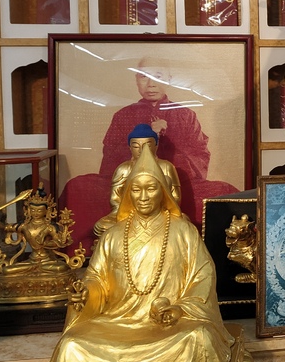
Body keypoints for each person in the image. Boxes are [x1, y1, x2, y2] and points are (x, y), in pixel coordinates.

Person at [41, 148, 235, 362]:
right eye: (136, 189)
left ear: (163, 191)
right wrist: (86, 293)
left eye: (151, 188)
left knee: (198, 338)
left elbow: (202, 275)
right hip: (117, 322)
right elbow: (97, 279)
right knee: (71, 346)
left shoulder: (183, 231)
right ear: (127, 193)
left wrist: (180, 308)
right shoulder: (112, 236)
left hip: (170, 325)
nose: (143, 196)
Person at [59, 62, 237, 250]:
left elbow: (199, 157)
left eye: (158, 76)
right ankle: (85, 253)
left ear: (169, 80)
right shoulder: (123, 115)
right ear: (136, 80)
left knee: (223, 191)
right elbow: (110, 160)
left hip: (175, 182)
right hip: (130, 185)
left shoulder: (185, 115)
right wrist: (143, 143)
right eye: (144, 76)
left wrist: (167, 141)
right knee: (76, 186)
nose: (151, 84)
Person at [93, 124, 182, 237]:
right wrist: (124, 212)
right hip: (129, 214)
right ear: (130, 147)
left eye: (147, 145)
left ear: (156, 146)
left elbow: (175, 197)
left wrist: (159, 210)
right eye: (136, 146)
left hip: (160, 213)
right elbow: (115, 198)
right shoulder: (123, 169)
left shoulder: (166, 167)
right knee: (102, 226)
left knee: (182, 225)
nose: (141, 150)